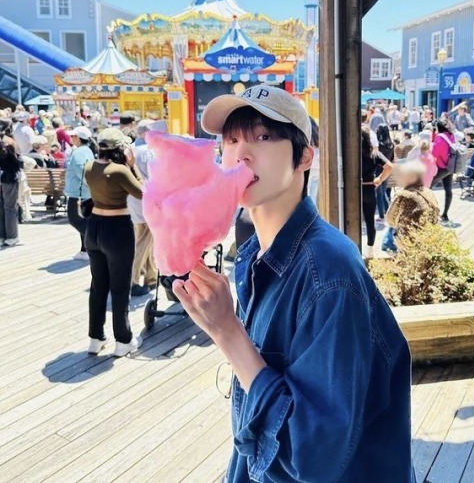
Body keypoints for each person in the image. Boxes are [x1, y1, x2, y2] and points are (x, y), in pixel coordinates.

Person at [172, 84, 415, 483]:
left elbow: (312, 457)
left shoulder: (329, 272)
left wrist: (227, 331)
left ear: (304, 157)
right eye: (230, 141)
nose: (241, 154)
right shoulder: (255, 253)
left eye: (263, 137)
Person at [84, 128, 144, 357]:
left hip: (93, 228)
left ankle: (95, 338)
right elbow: (143, 192)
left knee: (98, 286)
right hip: (117, 229)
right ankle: (123, 340)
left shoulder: (89, 167)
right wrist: (133, 166)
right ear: (120, 148)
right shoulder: (119, 171)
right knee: (119, 288)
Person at [127, 120, 160, 297]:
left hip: (131, 202)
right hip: (146, 202)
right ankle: (132, 279)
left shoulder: (130, 149)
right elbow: (154, 179)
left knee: (144, 240)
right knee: (143, 242)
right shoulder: (149, 152)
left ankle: (151, 276)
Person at [64, 126, 96, 261]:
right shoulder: (87, 150)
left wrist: (92, 186)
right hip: (85, 193)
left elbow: (82, 171)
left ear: (78, 138)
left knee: (75, 219)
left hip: (78, 193)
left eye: (73, 136)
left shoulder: (79, 152)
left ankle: (95, 243)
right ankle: (85, 250)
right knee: (84, 221)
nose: (71, 138)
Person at [387, 161, 440, 241]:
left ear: (411, 178)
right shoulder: (429, 192)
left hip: (409, 238)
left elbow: (390, 218)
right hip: (430, 234)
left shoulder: (404, 195)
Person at [361, 126, 393, 258]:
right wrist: (379, 179)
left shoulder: (352, 154)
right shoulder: (374, 154)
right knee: (370, 221)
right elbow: (389, 166)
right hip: (369, 188)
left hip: (354, 190)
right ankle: (369, 250)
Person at [431, 120, 456, 224]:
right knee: (448, 190)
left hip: (442, 167)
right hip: (450, 166)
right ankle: (445, 214)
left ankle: (431, 212)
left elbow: (434, 153)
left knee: (427, 188)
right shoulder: (451, 135)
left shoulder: (440, 137)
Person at [0, 141, 22, 246]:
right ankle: (12, 236)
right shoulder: (8, 146)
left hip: (3, 177)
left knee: (2, 208)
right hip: (8, 179)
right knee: (10, 208)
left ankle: (2, 236)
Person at [375, 123, 394, 222]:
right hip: (387, 171)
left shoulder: (379, 145)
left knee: (380, 194)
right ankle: (389, 213)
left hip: (378, 171)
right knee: (383, 193)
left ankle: (382, 216)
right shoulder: (391, 145)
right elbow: (392, 159)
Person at [306, 117, 320, 207]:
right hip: (317, 167)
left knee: (307, 192)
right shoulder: (318, 136)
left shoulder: (306, 135)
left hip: (308, 167)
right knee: (313, 193)